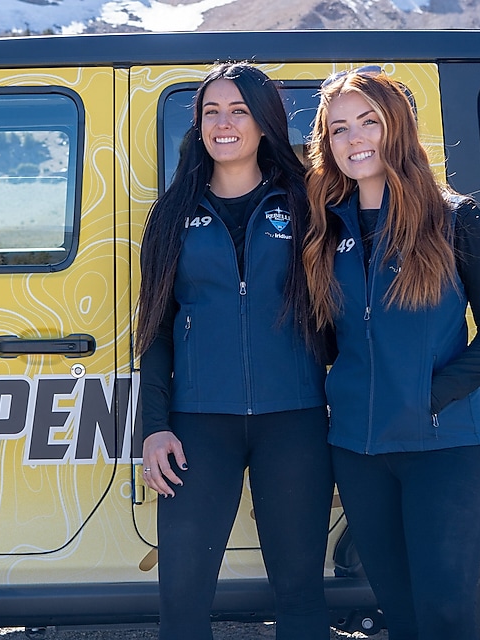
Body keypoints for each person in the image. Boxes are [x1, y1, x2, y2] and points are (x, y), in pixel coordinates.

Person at [302, 68, 480, 640]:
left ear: (397, 127)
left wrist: (433, 396)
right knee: (397, 611)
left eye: (368, 122)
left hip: (440, 447)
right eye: (339, 128)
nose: (355, 139)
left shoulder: (454, 219)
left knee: (445, 613)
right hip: (357, 448)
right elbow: (328, 336)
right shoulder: (324, 228)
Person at [136, 62, 334, 640]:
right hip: (198, 426)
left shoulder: (304, 206)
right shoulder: (174, 213)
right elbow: (157, 329)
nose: (224, 124)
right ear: (197, 126)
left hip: (294, 422)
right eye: (210, 112)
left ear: (265, 123)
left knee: (299, 591)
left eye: (239, 111)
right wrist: (155, 427)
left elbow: (338, 317)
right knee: (183, 596)